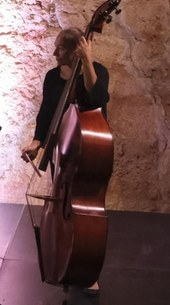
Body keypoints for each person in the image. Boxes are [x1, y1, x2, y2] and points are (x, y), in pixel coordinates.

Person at [21, 27, 111, 291]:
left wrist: (87, 62)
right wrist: (37, 143)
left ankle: (86, 265)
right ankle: (63, 259)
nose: (54, 52)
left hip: (87, 153)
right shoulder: (52, 77)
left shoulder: (98, 71)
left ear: (75, 50)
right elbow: (46, 113)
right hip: (62, 153)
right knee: (61, 208)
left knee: (84, 211)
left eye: (60, 48)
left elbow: (97, 100)